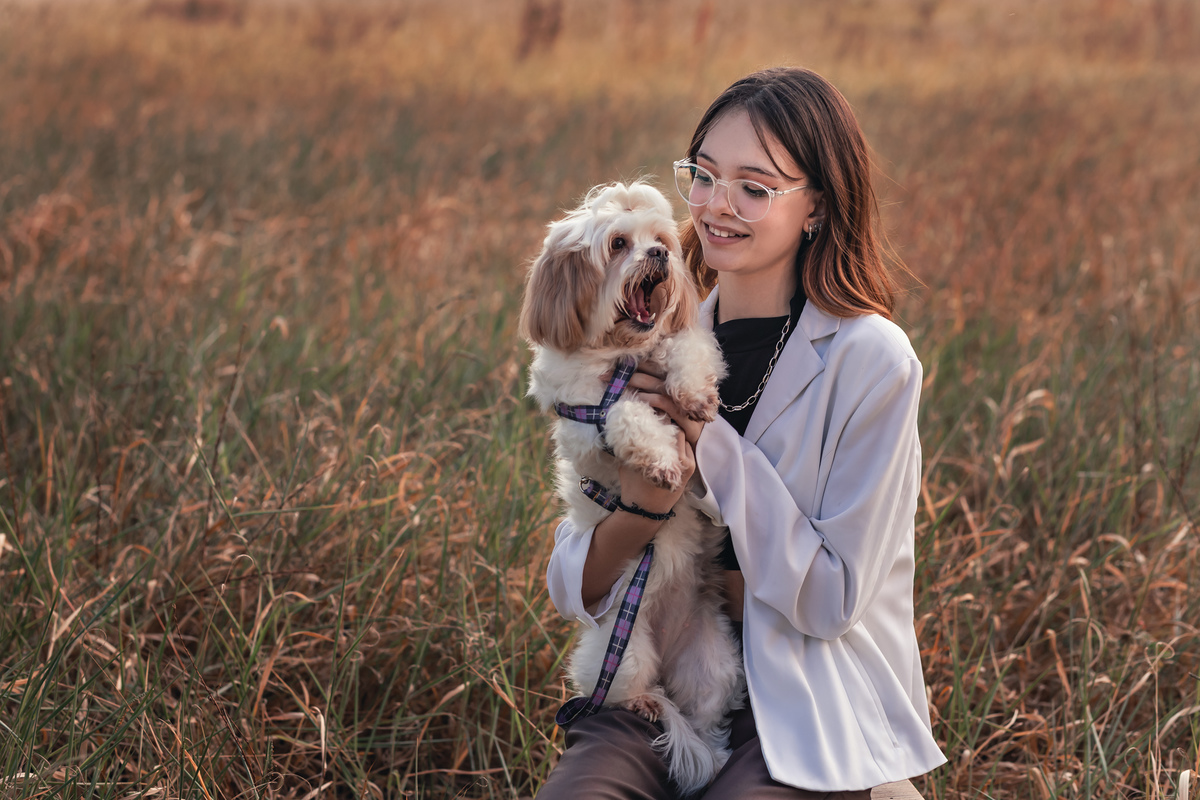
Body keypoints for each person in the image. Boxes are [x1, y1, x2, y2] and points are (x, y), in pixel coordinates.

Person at [538, 67, 947, 799]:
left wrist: (706, 450)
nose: (716, 207)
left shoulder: (871, 362)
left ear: (816, 208)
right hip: (650, 687)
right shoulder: (646, 334)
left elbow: (831, 599)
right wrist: (637, 512)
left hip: (803, 706)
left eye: (754, 188)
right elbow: (573, 584)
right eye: (703, 176)